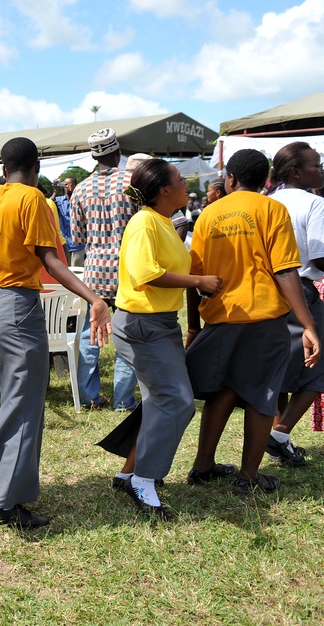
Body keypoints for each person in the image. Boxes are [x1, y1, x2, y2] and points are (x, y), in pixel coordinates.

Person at [0, 137, 111, 529]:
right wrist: (93, 297)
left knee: (14, 401)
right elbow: (51, 260)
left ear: (5, 168)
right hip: (16, 310)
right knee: (25, 408)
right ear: (36, 166)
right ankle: (3, 503)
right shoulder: (34, 200)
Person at [185, 149, 320, 494]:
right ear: (266, 181)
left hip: (220, 317)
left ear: (230, 179)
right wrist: (307, 324)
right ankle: (248, 477)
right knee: (262, 395)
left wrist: (194, 326)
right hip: (263, 318)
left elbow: (194, 276)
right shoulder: (271, 209)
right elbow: (286, 271)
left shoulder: (207, 215)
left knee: (224, 392)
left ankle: (203, 466)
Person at [104, 159, 223, 519]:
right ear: (163, 190)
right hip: (143, 325)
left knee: (162, 401)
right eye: (179, 179)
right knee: (177, 401)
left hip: (160, 324)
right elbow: (145, 274)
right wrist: (198, 283)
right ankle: (144, 479)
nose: (186, 183)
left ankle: (130, 474)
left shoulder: (163, 222)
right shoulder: (144, 223)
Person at [69, 129, 139, 411]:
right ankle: (123, 399)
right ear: (117, 151)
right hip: (128, 268)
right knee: (127, 335)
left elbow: (77, 236)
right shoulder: (132, 182)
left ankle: (89, 397)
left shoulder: (80, 189)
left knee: (91, 333)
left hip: (95, 270)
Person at [266, 143, 324, 465]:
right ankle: (279, 434)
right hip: (300, 290)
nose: (320, 170)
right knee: (319, 366)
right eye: (316, 164)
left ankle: (279, 435)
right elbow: (319, 256)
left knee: (280, 366)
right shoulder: (314, 204)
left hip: (268, 292)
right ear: (295, 171)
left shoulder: (267, 203)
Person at [54, 175, 85, 266]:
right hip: (65, 244)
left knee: (78, 271)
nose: (67, 186)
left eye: (70, 184)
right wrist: (55, 191)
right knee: (65, 269)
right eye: (65, 184)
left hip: (78, 245)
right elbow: (48, 205)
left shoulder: (80, 199)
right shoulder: (59, 200)